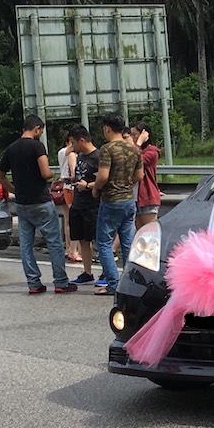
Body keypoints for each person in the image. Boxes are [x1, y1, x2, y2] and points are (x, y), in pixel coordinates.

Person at [0, 115, 77, 295]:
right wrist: (53, 176)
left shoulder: (11, 148)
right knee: (54, 242)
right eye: (41, 131)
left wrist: (13, 189)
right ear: (37, 129)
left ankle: (33, 283)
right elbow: (45, 173)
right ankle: (61, 282)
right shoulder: (37, 146)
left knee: (26, 245)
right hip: (40, 200)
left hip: (22, 203)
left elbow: (0, 175)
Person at [93, 113, 142, 296]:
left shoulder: (107, 149)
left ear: (107, 128)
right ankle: (130, 283)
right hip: (129, 200)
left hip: (111, 200)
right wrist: (126, 184)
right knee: (128, 243)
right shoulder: (134, 149)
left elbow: (103, 176)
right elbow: (140, 176)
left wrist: (95, 188)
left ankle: (113, 284)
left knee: (104, 243)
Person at [67, 125, 100, 284]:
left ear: (81, 140)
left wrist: (87, 186)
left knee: (97, 239)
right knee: (82, 240)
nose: (72, 146)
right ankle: (87, 272)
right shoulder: (80, 156)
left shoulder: (98, 157)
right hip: (78, 202)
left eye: (73, 143)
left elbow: (104, 180)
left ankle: (106, 273)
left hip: (92, 204)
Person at [56, 132, 81, 263]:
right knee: (74, 220)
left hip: (64, 187)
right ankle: (74, 251)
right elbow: (73, 172)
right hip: (71, 188)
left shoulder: (60, 152)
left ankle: (68, 248)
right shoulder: (71, 154)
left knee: (67, 221)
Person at [131, 121, 162, 228]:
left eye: (135, 135)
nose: (132, 138)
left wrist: (139, 142)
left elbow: (134, 159)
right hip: (134, 198)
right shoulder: (136, 149)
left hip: (147, 197)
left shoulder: (152, 152)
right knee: (137, 234)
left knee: (149, 232)